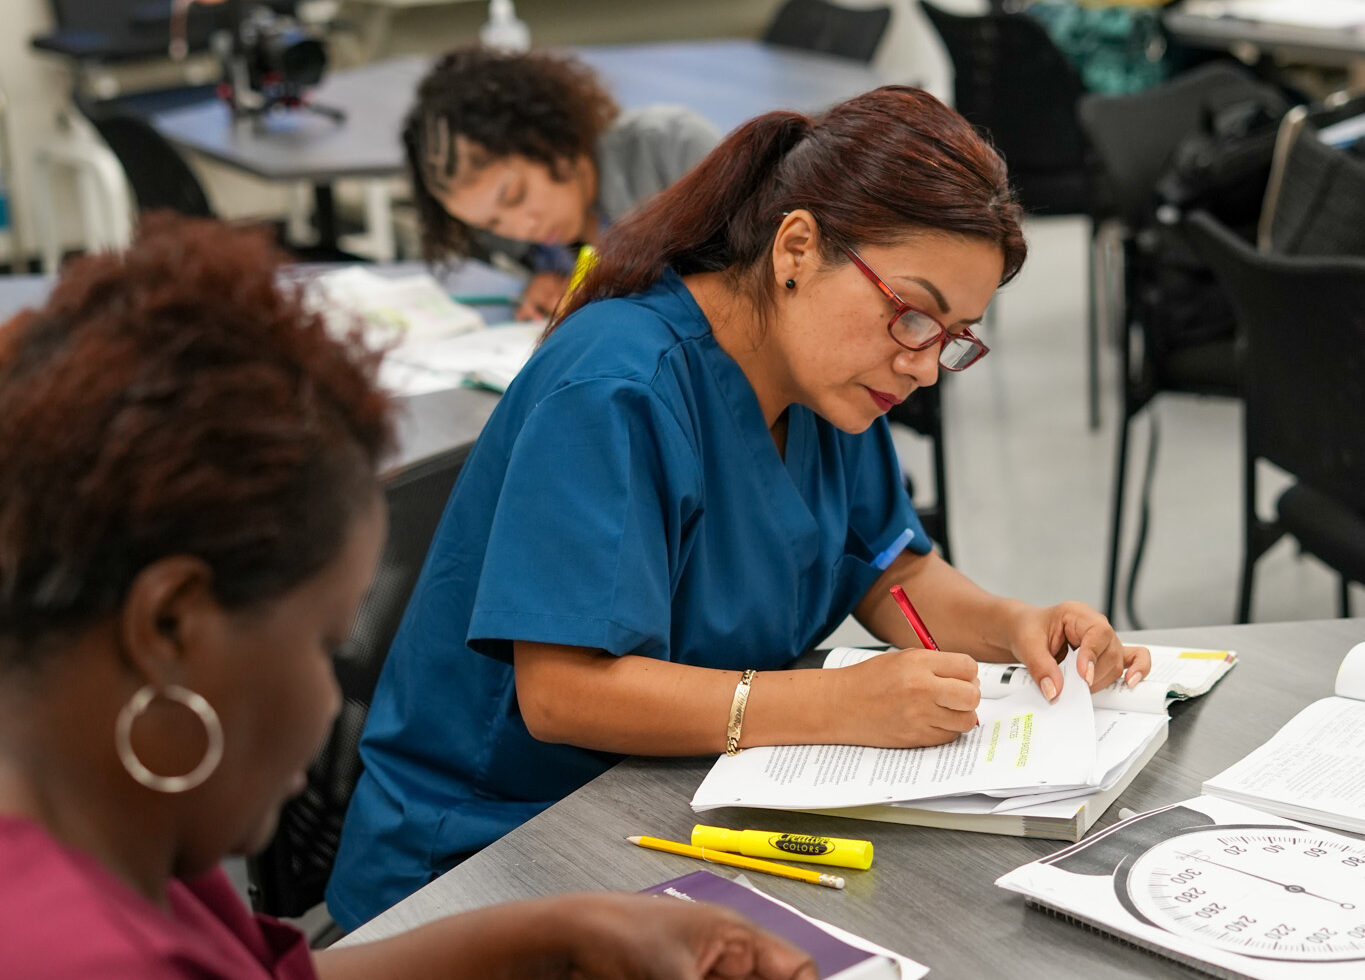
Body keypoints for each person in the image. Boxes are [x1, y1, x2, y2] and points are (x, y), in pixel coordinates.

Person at [328, 84, 1152, 930]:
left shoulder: (829, 381)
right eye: (913, 316)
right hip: (486, 855)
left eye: (954, 339)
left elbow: (888, 572)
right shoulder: (619, 387)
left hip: (672, 813)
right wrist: (836, 706)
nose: (924, 365)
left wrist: (1016, 627)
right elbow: (563, 694)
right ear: (796, 248)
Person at [0, 214, 815, 980]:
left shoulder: (117, 822)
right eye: (323, 643)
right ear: (170, 624)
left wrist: (561, 930)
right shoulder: (80, 950)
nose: (331, 708)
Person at [404, 45, 720, 320]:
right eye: (492, 223)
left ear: (549, 137)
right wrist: (546, 283)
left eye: (516, 195)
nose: (522, 227)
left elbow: (751, 282)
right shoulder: (522, 248)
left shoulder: (672, 150)